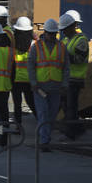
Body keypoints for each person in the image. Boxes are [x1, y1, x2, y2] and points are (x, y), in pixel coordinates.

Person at [28, 18, 69, 151]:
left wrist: (64, 84)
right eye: (50, 33)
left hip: (56, 87)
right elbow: (31, 66)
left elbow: (66, 67)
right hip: (40, 87)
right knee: (43, 113)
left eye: (54, 33)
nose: (52, 36)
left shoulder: (62, 47)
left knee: (51, 115)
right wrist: (33, 83)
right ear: (45, 32)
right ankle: (44, 141)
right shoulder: (37, 47)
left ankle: (46, 138)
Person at [59, 11, 89, 139]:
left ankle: (71, 133)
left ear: (72, 26)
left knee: (71, 107)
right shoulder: (66, 40)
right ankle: (78, 128)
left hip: (75, 79)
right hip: (66, 79)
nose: (62, 32)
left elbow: (79, 59)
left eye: (64, 29)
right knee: (66, 106)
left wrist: (64, 56)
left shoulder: (81, 40)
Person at [10, 16, 38, 132]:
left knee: (17, 104)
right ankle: (42, 123)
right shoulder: (34, 44)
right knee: (32, 103)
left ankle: (18, 126)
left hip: (16, 78)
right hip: (29, 79)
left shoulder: (13, 42)